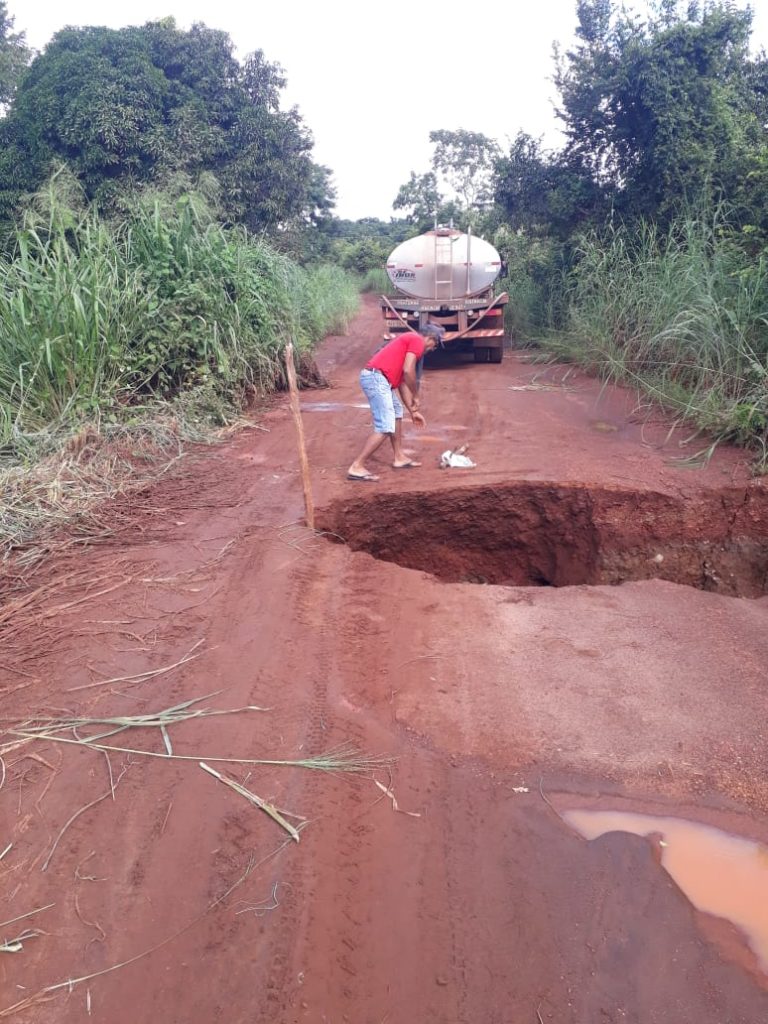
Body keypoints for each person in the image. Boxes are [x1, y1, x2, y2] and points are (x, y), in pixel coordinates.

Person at [347, 323, 445, 481]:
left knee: (397, 411)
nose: (432, 349)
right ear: (430, 338)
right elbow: (408, 371)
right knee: (385, 426)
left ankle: (399, 457)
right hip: (376, 378)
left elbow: (401, 383)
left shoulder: (408, 345)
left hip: (379, 379)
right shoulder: (417, 341)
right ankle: (357, 466)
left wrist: (413, 411)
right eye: (434, 345)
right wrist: (416, 395)